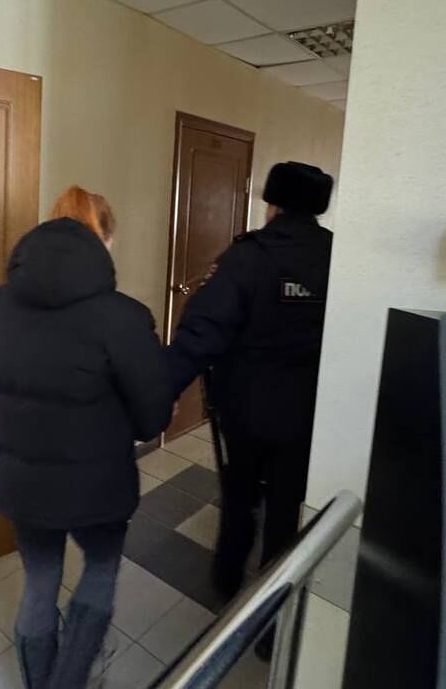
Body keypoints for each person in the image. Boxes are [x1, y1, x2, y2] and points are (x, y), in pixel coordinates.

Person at [0, 186, 173, 689]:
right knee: (100, 569)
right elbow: (152, 416)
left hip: (21, 482)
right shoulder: (124, 316)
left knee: (39, 582)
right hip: (97, 485)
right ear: (103, 239)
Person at [167, 161, 334, 609]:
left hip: (245, 411)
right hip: (307, 414)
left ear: (272, 204)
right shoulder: (337, 256)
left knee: (239, 496)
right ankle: (272, 604)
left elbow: (201, 331)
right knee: (286, 507)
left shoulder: (247, 256)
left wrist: (161, 389)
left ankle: (226, 580)